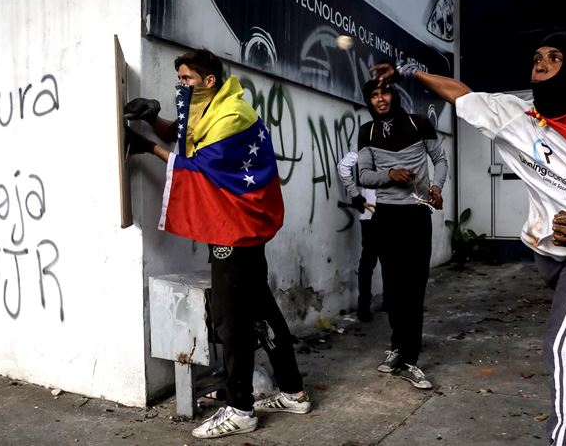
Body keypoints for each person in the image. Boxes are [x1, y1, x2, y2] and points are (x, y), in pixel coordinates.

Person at [374, 32, 566, 445]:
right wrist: (412, 72)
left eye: (554, 57)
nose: (541, 61)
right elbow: (460, 93)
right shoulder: (514, 114)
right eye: (537, 55)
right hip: (545, 256)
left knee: (565, 345)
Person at [124, 48, 311, 440]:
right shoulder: (214, 107)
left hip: (234, 230)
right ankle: (293, 392)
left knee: (231, 321)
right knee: (261, 310)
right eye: (179, 79)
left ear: (209, 81)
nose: (181, 85)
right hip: (241, 226)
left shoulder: (230, 116)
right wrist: (150, 121)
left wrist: (146, 147)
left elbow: (197, 168)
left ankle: (241, 408)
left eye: (187, 79)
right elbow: (183, 134)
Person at [356, 79, 448, 389]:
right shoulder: (367, 132)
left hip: (416, 214)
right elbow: (364, 174)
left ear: (394, 95)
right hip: (386, 217)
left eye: (384, 93)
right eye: (373, 95)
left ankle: (411, 359)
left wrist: (436, 188)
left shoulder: (419, 123)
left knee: (414, 285)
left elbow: (440, 159)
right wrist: (389, 175)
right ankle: (397, 348)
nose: (379, 99)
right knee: (393, 287)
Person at [337, 147, 377, 323]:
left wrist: (355, 194)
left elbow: (343, 167)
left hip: (370, 210)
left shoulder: (365, 145)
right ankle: (385, 303)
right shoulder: (371, 145)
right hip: (385, 209)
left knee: (368, 260)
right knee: (387, 259)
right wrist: (355, 195)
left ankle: (364, 307)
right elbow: (343, 167)